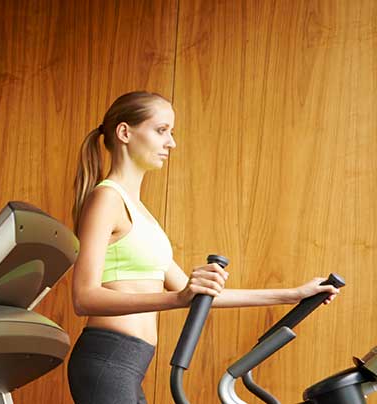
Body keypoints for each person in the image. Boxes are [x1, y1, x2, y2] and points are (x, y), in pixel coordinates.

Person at [66, 91, 341, 403]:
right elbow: (83, 298)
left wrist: (293, 294)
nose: (172, 143)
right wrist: (177, 298)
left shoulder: (141, 213)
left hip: (128, 363)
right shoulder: (107, 199)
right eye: (161, 130)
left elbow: (197, 296)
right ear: (125, 132)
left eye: (171, 133)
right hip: (107, 358)